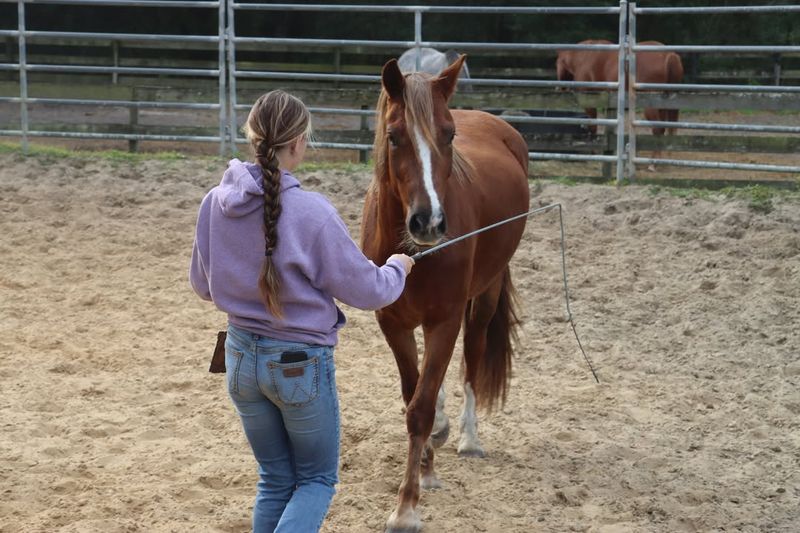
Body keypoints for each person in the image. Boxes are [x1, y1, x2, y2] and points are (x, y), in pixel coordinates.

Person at [189, 90, 414, 533]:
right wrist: (398, 267)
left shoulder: (214, 202)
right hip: (299, 366)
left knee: (275, 479)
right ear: (298, 143)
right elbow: (369, 291)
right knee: (316, 480)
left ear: (252, 137)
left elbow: (202, 285)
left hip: (238, 359)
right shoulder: (312, 212)